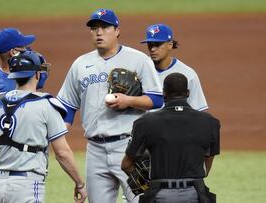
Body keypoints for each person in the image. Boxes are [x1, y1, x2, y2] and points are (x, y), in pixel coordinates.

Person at [57, 8, 163, 203]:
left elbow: (156, 99)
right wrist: (58, 134)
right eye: (94, 28)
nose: (99, 32)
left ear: (117, 30)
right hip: (95, 151)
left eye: (105, 27)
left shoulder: (139, 60)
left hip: (130, 148)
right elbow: (67, 107)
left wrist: (128, 100)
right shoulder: (81, 64)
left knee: (142, 201)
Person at [0, 51, 87, 203]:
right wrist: (79, 183)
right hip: (26, 187)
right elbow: (62, 153)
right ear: (37, 75)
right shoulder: (45, 105)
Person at [121, 73, 220, 203]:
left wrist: (145, 184)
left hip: (160, 194)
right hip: (194, 194)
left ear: (164, 94)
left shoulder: (145, 122)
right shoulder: (210, 122)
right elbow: (206, 167)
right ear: (188, 93)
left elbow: (126, 165)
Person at [141, 24, 208, 111]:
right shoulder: (141, 68)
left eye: (157, 44)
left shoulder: (188, 74)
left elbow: (199, 111)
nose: (152, 49)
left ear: (170, 45)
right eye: (150, 45)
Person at [0, 27, 36, 106]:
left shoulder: (7, 73)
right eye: (23, 46)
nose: (27, 50)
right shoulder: (5, 89)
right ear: (13, 52)